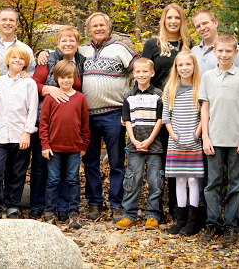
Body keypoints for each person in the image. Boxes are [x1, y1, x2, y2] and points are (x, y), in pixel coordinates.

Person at [191, 10, 239, 236]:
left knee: (237, 183)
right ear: (215, 53)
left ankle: (234, 223)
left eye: (228, 51)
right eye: (220, 51)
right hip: (214, 137)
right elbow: (204, 106)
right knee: (212, 183)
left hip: (237, 136)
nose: (224, 54)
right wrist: (205, 135)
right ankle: (212, 222)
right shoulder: (204, 70)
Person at [79, 12, 137, 222]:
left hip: (114, 113)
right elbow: (59, 56)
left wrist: (133, 99)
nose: (98, 28)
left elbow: (139, 70)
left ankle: (117, 203)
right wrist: (41, 51)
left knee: (116, 161)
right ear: (89, 29)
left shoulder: (120, 48)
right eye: (94, 26)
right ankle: (94, 203)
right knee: (90, 161)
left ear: (108, 27)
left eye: (102, 25)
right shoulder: (81, 50)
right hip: (87, 116)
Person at [0, 8, 36, 211]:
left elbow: (32, 104)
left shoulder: (25, 49)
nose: (8, 23)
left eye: (12, 20)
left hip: (20, 127)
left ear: (17, 24)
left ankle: (13, 204)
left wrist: (28, 131)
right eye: (4, 19)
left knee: (17, 169)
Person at [142, 3, 193, 220]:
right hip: (156, 109)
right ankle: (156, 208)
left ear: (182, 21)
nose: (173, 21)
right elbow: (142, 71)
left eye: (177, 18)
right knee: (159, 157)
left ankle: (177, 206)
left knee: (177, 157)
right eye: (169, 17)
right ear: (164, 20)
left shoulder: (188, 46)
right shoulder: (153, 45)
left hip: (182, 109)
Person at [30, 25, 85, 221]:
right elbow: (33, 85)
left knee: (66, 172)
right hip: (47, 120)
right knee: (40, 165)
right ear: (58, 43)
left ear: (78, 43)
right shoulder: (47, 59)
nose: (68, 43)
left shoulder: (81, 60)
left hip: (71, 126)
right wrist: (51, 90)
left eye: (72, 40)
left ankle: (63, 208)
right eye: (64, 40)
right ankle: (38, 205)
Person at [39, 60, 90, 229]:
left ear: (75, 77)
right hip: (54, 148)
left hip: (74, 148)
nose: (66, 81)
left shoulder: (80, 98)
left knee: (73, 180)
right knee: (52, 180)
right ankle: (50, 212)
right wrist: (45, 145)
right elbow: (44, 124)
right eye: (62, 77)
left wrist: (84, 145)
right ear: (56, 79)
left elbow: (84, 124)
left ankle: (73, 212)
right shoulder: (50, 99)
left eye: (69, 77)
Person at [115, 58, 163, 230]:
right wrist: (134, 140)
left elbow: (160, 119)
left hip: (154, 145)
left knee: (155, 180)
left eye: (145, 71)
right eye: (138, 72)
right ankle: (129, 214)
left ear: (152, 73)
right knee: (132, 180)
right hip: (134, 145)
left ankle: (153, 215)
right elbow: (126, 120)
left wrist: (149, 140)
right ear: (133, 74)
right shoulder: (129, 95)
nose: (141, 75)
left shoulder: (158, 94)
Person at [162, 51, 204, 236]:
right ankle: (181, 220)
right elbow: (166, 117)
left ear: (194, 66)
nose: (184, 68)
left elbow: (204, 115)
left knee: (193, 180)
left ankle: (193, 221)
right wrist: (174, 135)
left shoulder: (200, 88)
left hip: (194, 141)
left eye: (188, 64)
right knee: (179, 179)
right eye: (181, 65)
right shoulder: (170, 88)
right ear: (176, 68)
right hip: (176, 141)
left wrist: (196, 134)